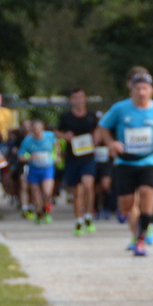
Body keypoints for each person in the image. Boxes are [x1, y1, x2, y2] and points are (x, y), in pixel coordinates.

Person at [96, 69, 153, 255]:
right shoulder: (120, 109)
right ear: (131, 90)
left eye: (145, 89)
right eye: (138, 89)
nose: (142, 93)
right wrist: (111, 143)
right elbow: (103, 126)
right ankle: (131, 222)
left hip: (149, 159)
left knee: (146, 193)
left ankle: (141, 235)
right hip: (125, 162)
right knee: (127, 203)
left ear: (151, 90)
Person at [56, 89, 100, 235]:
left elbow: (99, 130)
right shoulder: (66, 117)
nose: (79, 100)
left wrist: (96, 138)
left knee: (88, 184)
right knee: (76, 192)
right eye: (75, 98)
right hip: (72, 157)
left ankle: (88, 214)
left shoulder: (91, 116)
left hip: (88, 156)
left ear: (85, 99)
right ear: (71, 100)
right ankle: (78, 220)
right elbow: (56, 132)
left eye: (81, 97)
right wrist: (64, 135)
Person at [18, 116, 57, 222]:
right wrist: (30, 157)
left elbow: (56, 145)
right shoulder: (27, 141)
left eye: (39, 129)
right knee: (35, 193)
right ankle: (39, 212)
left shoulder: (50, 136)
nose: (37, 132)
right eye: (34, 130)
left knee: (47, 191)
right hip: (34, 168)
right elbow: (21, 156)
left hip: (47, 167)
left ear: (43, 128)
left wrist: (57, 156)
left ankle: (46, 209)